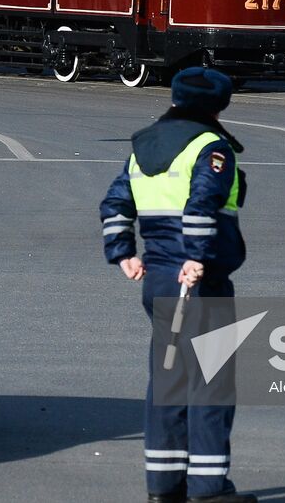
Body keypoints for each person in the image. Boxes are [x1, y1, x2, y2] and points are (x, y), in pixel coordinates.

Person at [100, 67, 255, 503]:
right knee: (212, 385)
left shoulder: (143, 146)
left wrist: (123, 253)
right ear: (218, 106)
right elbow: (201, 203)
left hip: (158, 280)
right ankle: (208, 489)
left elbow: (115, 203)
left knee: (168, 383)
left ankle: (163, 488)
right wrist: (197, 259)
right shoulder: (211, 147)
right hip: (199, 282)